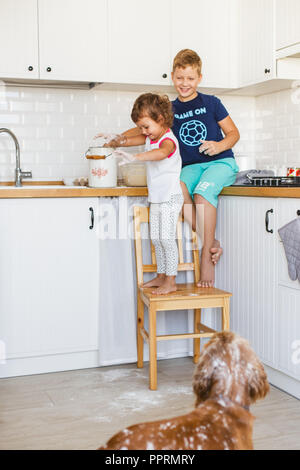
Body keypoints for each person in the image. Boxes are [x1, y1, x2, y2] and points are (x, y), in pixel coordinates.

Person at [97, 49, 240, 288]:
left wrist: (219, 146)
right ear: (172, 76)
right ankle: (212, 240)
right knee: (180, 188)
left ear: (199, 78)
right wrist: (119, 138)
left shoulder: (212, 103)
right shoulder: (169, 110)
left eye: (190, 79)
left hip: (219, 162)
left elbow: (234, 133)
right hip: (191, 167)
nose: (185, 84)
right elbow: (144, 129)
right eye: (180, 78)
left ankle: (207, 253)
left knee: (202, 194)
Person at [116, 93, 184, 295]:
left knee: (166, 239)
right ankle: (161, 276)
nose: (144, 132)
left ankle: (171, 280)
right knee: (156, 238)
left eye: (146, 127)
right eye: (141, 128)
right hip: (157, 197)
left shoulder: (168, 140)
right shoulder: (151, 137)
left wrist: (136, 157)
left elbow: (161, 154)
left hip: (171, 196)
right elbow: (131, 139)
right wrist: (115, 141)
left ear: (161, 120)